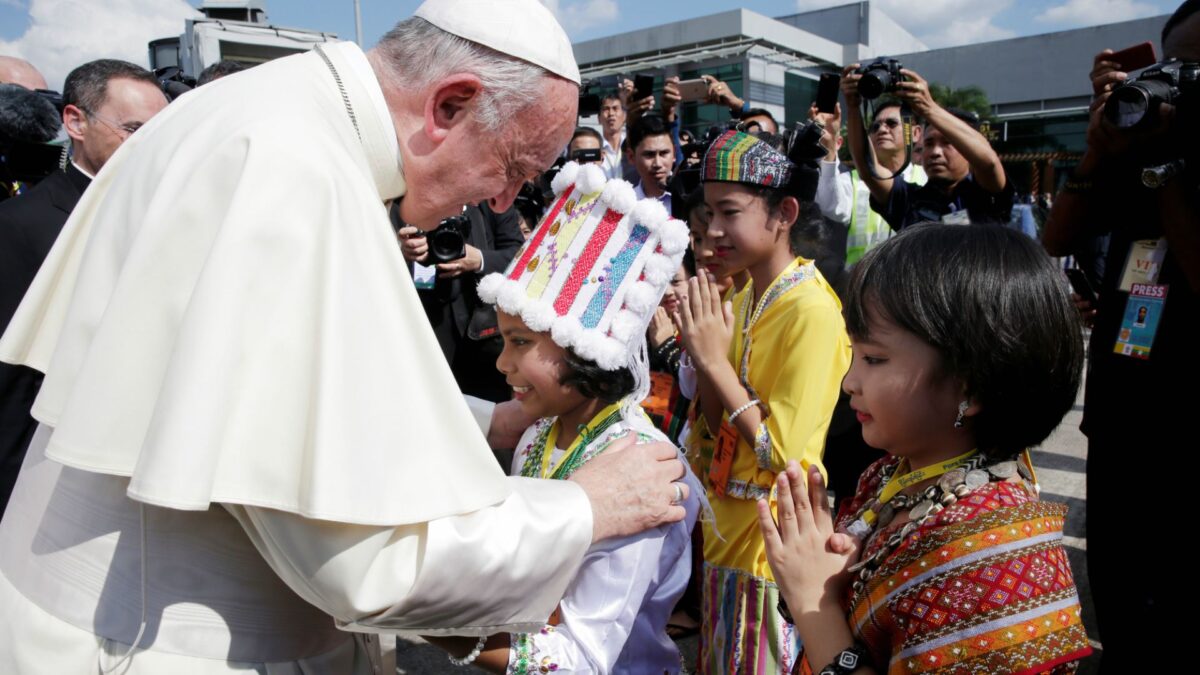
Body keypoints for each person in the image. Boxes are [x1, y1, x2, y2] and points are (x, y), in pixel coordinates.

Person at [0, 2, 689, 672]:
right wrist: (587, 508)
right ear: (449, 105)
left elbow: (294, 404)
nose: (503, 202)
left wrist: (490, 421)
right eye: (512, 167)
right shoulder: (298, 172)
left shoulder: (262, 114)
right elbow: (362, 559)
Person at [758, 224, 1092, 675]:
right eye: (852, 354)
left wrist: (812, 604)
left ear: (971, 387)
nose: (849, 381)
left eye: (874, 359)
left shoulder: (992, 565)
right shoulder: (893, 474)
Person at [434, 160, 699, 673]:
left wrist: (440, 627)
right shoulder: (537, 436)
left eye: (520, 343)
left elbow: (582, 658)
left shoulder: (640, 468)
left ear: (585, 349)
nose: (502, 363)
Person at [1041, 2, 1200, 669]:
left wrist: (1169, 169)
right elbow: (1056, 238)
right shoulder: (1136, 150)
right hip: (1118, 416)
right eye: (1178, 65)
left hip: (1188, 433)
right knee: (1117, 599)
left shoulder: (1168, 165)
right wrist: (1102, 145)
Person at [675, 127, 851, 674]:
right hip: (728, 530)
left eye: (731, 211)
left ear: (785, 213)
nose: (714, 230)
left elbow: (787, 461)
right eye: (709, 213)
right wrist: (705, 353)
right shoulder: (748, 292)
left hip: (771, 546)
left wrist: (714, 362)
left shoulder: (811, 311)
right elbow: (709, 427)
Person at [0, 59, 167, 516]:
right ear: (75, 122)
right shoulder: (20, 226)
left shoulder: (169, 216)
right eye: (134, 129)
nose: (151, 145)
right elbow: (12, 384)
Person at [842, 65, 1011, 230]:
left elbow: (989, 162)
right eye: (929, 144)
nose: (935, 152)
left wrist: (927, 107)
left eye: (948, 143)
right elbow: (869, 170)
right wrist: (853, 107)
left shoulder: (986, 196)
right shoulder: (908, 200)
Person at [812, 99, 927, 268]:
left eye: (891, 123)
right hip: (861, 287)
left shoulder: (926, 179)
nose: (882, 129)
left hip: (911, 286)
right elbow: (830, 206)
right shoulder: (853, 179)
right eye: (875, 127)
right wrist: (829, 146)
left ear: (915, 133)